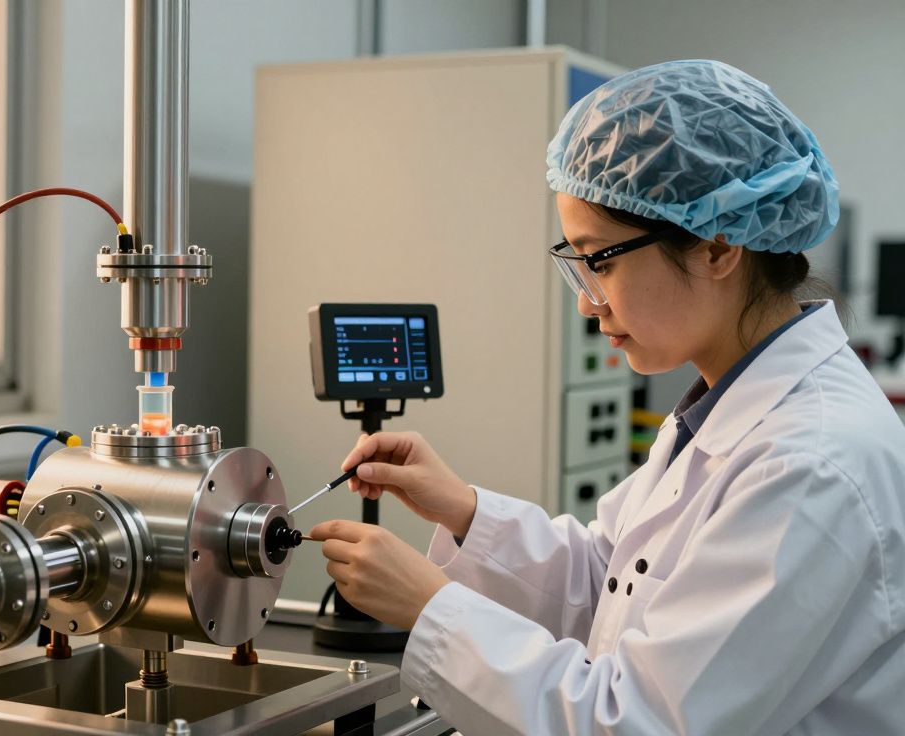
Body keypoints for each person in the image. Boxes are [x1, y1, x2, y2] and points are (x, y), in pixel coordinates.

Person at [310, 60, 905, 735]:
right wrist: (468, 512)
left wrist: (432, 609)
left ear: (716, 247)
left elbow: (637, 722)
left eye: (603, 261)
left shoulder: (810, 465)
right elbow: (614, 583)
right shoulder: (725, 407)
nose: (589, 305)